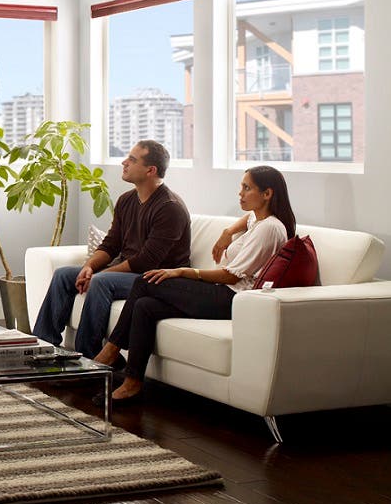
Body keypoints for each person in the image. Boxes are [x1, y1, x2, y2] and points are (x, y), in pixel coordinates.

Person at [93, 165, 296, 405]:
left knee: (144, 281)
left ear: (267, 194)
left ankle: (111, 350)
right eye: (241, 187)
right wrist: (227, 231)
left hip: (230, 298)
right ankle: (133, 382)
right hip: (223, 293)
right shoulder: (258, 219)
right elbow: (248, 219)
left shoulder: (270, 229)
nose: (240, 193)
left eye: (246, 188)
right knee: (145, 306)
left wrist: (183, 272)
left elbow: (230, 276)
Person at [32, 140, 191, 358]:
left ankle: (87, 359)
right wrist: (88, 267)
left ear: (150, 170)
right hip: (128, 272)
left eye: (132, 160)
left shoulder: (169, 208)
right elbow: (111, 244)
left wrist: (99, 274)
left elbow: (146, 261)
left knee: (101, 281)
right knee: (63, 275)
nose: (124, 163)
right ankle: (42, 349)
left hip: (156, 279)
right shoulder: (126, 200)